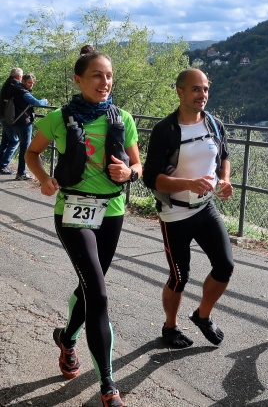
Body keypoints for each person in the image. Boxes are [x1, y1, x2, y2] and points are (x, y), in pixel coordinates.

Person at [25, 45, 141, 407]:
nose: (104, 82)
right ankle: (108, 385)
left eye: (109, 76)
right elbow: (32, 152)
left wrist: (129, 173)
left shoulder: (122, 118)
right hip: (72, 212)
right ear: (78, 79)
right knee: (99, 294)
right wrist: (43, 178)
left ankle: (67, 338)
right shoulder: (58, 118)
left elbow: (138, 164)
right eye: (96, 76)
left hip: (112, 210)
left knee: (91, 287)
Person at [142, 68, 234, 350]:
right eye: (195, 89)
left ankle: (202, 315)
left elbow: (224, 156)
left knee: (225, 266)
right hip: (175, 214)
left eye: (205, 89)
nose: (202, 94)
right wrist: (188, 184)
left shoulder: (214, 124)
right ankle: (170, 327)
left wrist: (225, 179)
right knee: (179, 276)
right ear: (180, 92)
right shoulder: (166, 130)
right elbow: (151, 178)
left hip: (205, 209)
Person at [0, 72, 48, 179]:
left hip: (12, 121)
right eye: (29, 82)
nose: (31, 85)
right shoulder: (22, 91)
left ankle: (8, 167)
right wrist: (45, 101)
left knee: (10, 142)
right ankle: (21, 173)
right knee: (25, 148)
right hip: (24, 123)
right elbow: (36, 102)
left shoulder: (11, 88)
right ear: (22, 80)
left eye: (32, 83)